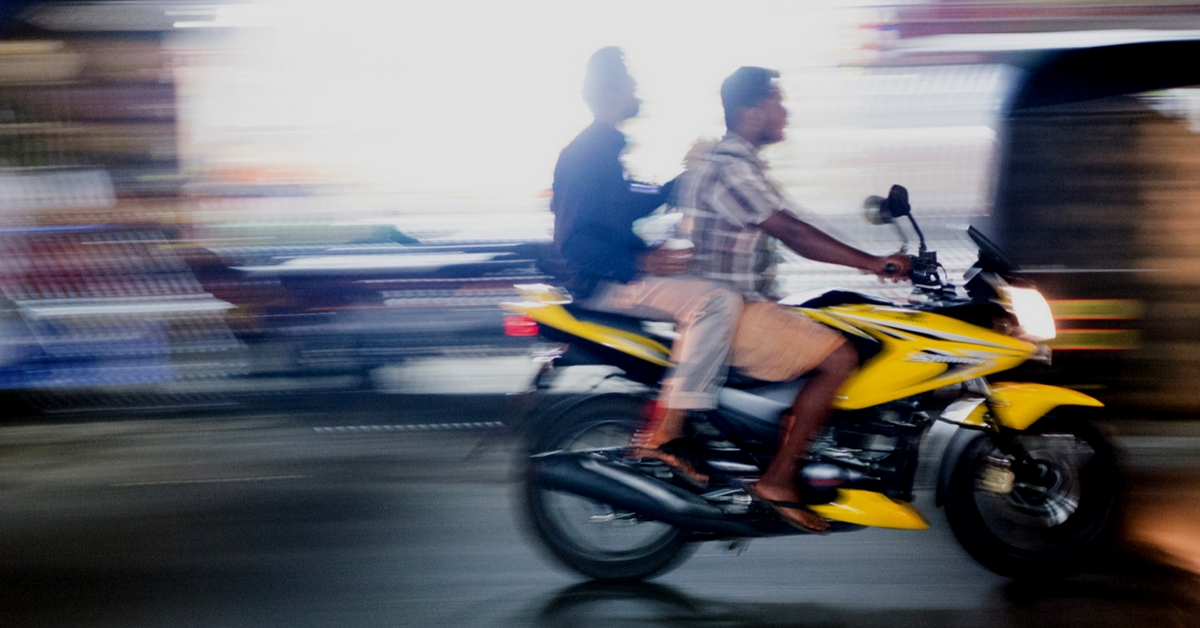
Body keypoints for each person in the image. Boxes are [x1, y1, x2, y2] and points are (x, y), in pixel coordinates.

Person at [677, 66, 912, 531]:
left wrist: (874, 257)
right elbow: (792, 231)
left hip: (738, 306)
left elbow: (799, 221)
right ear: (750, 110)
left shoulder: (741, 165)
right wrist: (872, 263)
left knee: (839, 317)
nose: (784, 112)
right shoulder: (731, 169)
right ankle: (779, 481)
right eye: (776, 102)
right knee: (841, 358)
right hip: (731, 312)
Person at [552, 47, 743, 484]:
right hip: (601, 283)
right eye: (630, 83)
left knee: (706, 284)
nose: (637, 91)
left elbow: (623, 207)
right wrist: (640, 259)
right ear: (613, 93)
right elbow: (575, 243)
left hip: (613, 272)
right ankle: (669, 433)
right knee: (716, 302)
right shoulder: (589, 152)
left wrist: (688, 176)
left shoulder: (603, 147)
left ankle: (698, 411)